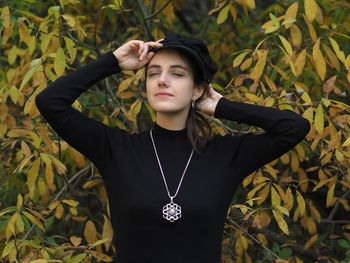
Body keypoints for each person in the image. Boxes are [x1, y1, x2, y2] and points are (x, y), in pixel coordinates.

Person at [35, 33, 311, 263]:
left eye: (177, 74)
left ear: (196, 90)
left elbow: (294, 127)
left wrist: (222, 106)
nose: (162, 80)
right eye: (153, 73)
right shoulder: (117, 150)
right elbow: (51, 102)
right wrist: (113, 62)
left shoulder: (225, 155)